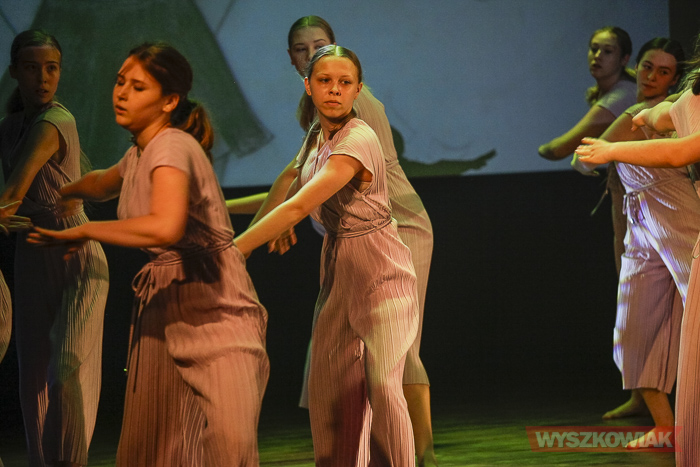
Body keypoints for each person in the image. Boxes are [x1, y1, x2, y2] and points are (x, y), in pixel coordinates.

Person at [28, 42, 269, 466]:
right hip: (163, 304)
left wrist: (86, 229)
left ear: (169, 101)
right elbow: (105, 182)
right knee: (158, 445)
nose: (121, 93)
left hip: (215, 304)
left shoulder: (171, 145)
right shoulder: (140, 150)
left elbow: (165, 226)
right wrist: (67, 190)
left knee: (228, 442)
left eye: (138, 87)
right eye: (120, 82)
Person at [247, 15, 436, 466]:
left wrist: (243, 245)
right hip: (344, 240)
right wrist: (250, 227)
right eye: (302, 50)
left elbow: (307, 193)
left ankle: (420, 454)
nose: (311, 54)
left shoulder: (354, 113)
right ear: (297, 65)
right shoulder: (318, 120)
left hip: (395, 228)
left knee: (391, 358)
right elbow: (293, 179)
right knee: (336, 366)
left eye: (319, 45)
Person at [576, 39, 700, 465]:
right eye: (648, 67)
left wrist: (613, 144)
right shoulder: (673, 105)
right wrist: (636, 119)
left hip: (681, 216)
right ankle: (666, 426)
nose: (652, 76)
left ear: (675, 76)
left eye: (664, 71)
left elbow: (677, 151)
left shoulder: (681, 110)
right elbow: (588, 159)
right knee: (634, 325)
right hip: (642, 221)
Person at [0, 29, 109, 467]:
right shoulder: (9, 127)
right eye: (32, 68)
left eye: (51, 68)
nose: (43, 78)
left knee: (64, 369)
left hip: (74, 255)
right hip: (31, 254)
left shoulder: (56, 121)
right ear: (14, 72)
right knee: (33, 383)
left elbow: (12, 195)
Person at [539, 26, 638, 274]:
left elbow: (558, 149)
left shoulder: (621, 95)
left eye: (608, 51)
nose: (598, 56)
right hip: (631, 194)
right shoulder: (615, 92)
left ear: (624, 59)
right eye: (594, 49)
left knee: (633, 271)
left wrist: (539, 148)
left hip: (643, 197)